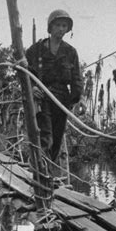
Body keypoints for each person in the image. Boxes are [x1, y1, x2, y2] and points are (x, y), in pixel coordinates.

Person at [25, 9, 83, 163]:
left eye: (64, 26)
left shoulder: (71, 52)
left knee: (56, 141)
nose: (61, 29)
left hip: (62, 101)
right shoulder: (34, 50)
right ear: (50, 27)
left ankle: (48, 172)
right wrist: (32, 88)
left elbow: (77, 80)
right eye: (58, 25)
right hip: (42, 98)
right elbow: (24, 74)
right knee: (46, 137)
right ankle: (41, 175)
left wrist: (71, 102)